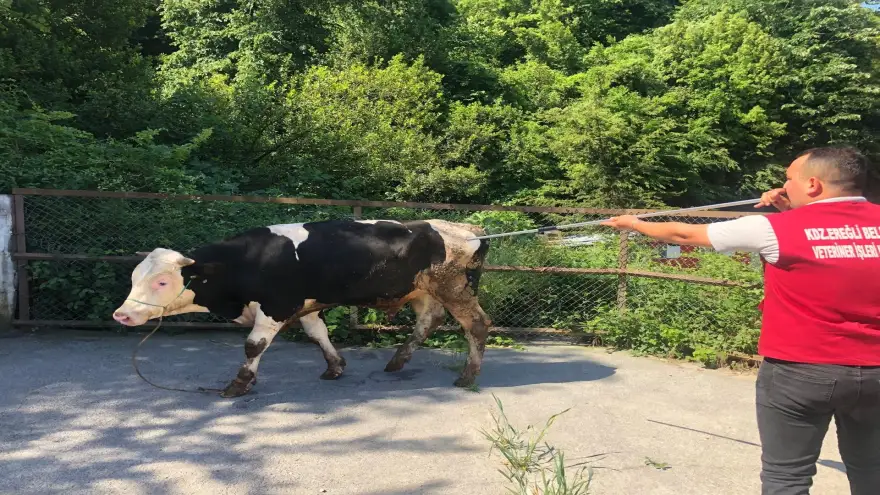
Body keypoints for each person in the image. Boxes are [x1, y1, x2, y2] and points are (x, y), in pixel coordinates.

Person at [600, 146, 880, 495]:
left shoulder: (772, 228)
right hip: (876, 374)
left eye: (788, 178)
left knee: (787, 477)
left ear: (812, 185)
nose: (781, 186)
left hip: (800, 372)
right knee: (872, 470)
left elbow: (685, 236)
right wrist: (792, 210)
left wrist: (634, 224)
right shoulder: (785, 222)